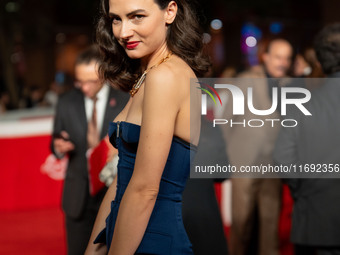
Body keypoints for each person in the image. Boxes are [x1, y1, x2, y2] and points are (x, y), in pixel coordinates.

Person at [85, 0, 209, 254]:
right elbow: (122, 181)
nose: (122, 32)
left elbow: (144, 190)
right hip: (129, 237)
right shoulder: (149, 74)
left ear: (170, 12)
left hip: (154, 243)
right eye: (116, 19)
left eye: (137, 16)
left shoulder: (166, 76)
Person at [51, 45, 128, 255]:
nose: (84, 87)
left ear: (104, 75)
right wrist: (59, 147)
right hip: (78, 196)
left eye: (90, 81)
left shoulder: (124, 100)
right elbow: (56, 138)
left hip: (113, 193)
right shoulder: (67, 101)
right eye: (79, 81)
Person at [221, 38, 293, 255]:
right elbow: (226, 120)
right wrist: (230, 158)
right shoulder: (245, 80)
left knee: (271, 229)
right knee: (241, 226)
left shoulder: (290, 84)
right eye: (278, 57)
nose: (283, 62)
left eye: (287, 58)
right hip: (245, 162)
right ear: (266, 57)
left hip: (274, 166)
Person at [274, 23, 340, 255]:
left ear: (319, 63)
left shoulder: (300, 108)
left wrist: (303, 190)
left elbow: (283, 159)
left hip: (315, 219)